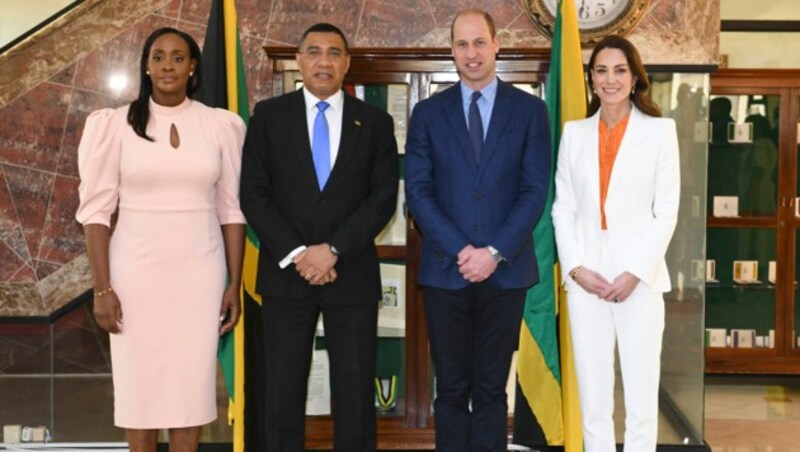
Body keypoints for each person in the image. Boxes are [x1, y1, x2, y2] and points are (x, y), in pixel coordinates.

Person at [75, 27, 246, 451]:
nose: (167, 65)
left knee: (191, 390)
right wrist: (102, 288)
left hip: (200, 276)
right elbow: (95, 213)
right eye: (158, 57)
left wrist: (234, 284)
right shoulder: (113, 125)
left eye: (177, 57)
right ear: (146, 67)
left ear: (192, 68)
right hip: (135, 277)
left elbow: (231, 211)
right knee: (141, 392)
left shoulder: (221, 125)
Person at [239, 23, 398, 452]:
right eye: (313, 52)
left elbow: (382, 199)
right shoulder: (269, 117)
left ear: (347, 63)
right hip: (286, 276)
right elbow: (253, 194)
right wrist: (298, 254)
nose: (323, 61)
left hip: (351, 271)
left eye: (333, 53)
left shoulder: (377, 123)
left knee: (355, 390)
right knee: (282, 390)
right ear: (299, 61)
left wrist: (332, 251)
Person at [405, 8, 551, 451]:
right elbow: (418, 191)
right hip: (445, 273)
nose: (472, 53)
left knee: (490, 391)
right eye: (462, 44)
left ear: (496, 45)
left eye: (479, 42)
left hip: (505, 273)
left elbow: (534, 190)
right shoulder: (428, 113)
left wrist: (493, 252)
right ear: (451, 50)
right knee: (449, 391)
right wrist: (461, 251)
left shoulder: (530, 111)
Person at [551, 35, 680, 451]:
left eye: (620, 70)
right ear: (591, 78)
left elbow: (668, 211)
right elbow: (562, 208)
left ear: (635, 77)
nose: (611, 79)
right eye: (602, 70)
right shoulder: (574, 133)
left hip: (638, 284)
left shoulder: (661, 132)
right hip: (586, 282)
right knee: (594, 402)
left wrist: (634, 272)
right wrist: (576, 269)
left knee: (642, 403)